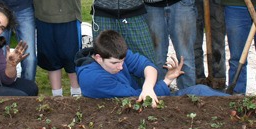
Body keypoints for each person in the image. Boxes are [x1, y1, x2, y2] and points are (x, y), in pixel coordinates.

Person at [75, 30, 228, 103]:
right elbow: (137, 99)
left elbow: (147, 66)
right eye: (115, 64)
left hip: (141, 101)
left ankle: (237, 103)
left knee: (200, 91)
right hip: (133, 110)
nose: (121, 67)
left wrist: (148, 87)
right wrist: (166, 82)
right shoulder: (94, 79)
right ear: (98, 58)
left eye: (122, 61)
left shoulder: (113, 53)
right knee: (199, 92)